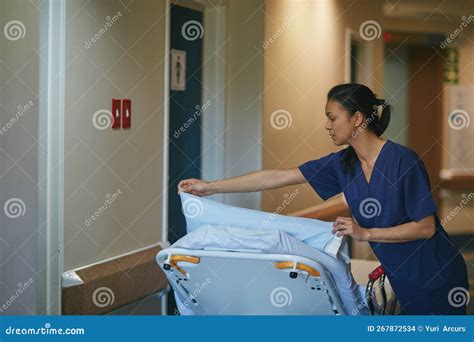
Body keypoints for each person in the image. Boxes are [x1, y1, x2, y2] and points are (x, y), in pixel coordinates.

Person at [178, 83, 469, 315]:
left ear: (357, 118)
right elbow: (276, 177)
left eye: (332, 118)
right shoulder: (344, 164)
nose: (327, 126)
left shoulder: (403, 161)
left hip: (437, 275)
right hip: (403, 278)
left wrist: (366, 232)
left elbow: (425, 227)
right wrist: (211, 187)